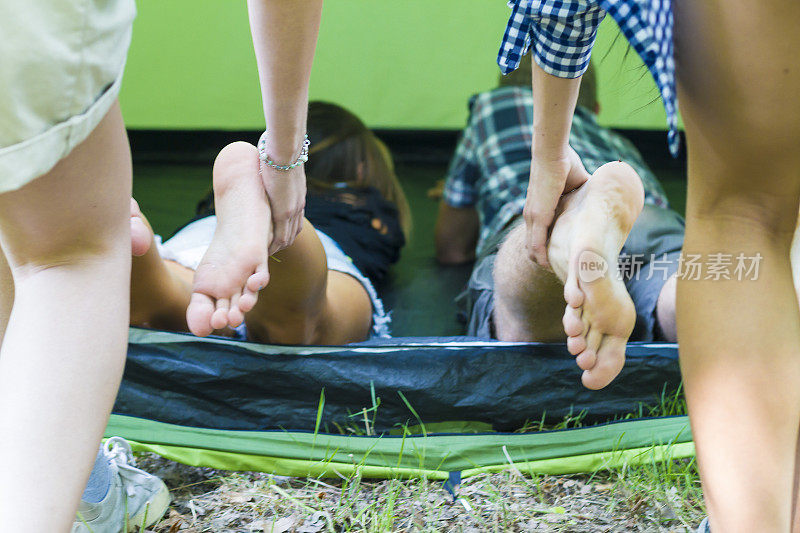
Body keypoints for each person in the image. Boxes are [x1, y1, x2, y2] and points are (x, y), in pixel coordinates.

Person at [0, 1, 322, 531]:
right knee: (308, 317)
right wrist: (285, 156)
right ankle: (264, 219)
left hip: (191, 248)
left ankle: (144, 255)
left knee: (41, 237)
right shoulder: (366, 211)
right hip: (286, 229)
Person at [497, 1, 800, 530]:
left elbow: (449, 241)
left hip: (558, 207)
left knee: (744, 221)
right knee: (705, 273)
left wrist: (549, 160)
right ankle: (609, 246)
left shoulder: (492, 114)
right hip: (658, 228)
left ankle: (572, 228)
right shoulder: (610, 132)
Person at [435, 59, 684, 389]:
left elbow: (452, 245)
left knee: (526, 286)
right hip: (651, 218)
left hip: (543, 205)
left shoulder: (492, 107)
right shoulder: (619, 143)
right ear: (594, 107)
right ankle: (713, 305)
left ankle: (560, 232)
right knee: (677, 286)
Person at [130, 102, 409, 344]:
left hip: (203, 241)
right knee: (300, 327)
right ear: (361, 170)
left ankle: (153, 279)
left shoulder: (218, 203)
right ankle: (278, 227)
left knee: (181, 298)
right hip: (318, 247)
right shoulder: (361, 204)